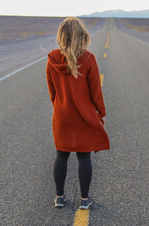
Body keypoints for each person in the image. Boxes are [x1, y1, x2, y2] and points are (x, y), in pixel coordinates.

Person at [46, 17, 110, 210]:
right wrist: (101, 112)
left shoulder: (52, 58)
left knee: (61, 155)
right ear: (82, 36)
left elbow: (52, 91)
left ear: (61, 36)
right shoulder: (88, 58)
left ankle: (59, 197)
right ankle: (84, 200)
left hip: (62, 115)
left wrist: (60, 107)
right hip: (83, 116)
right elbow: (95, 91)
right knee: (84, 157)